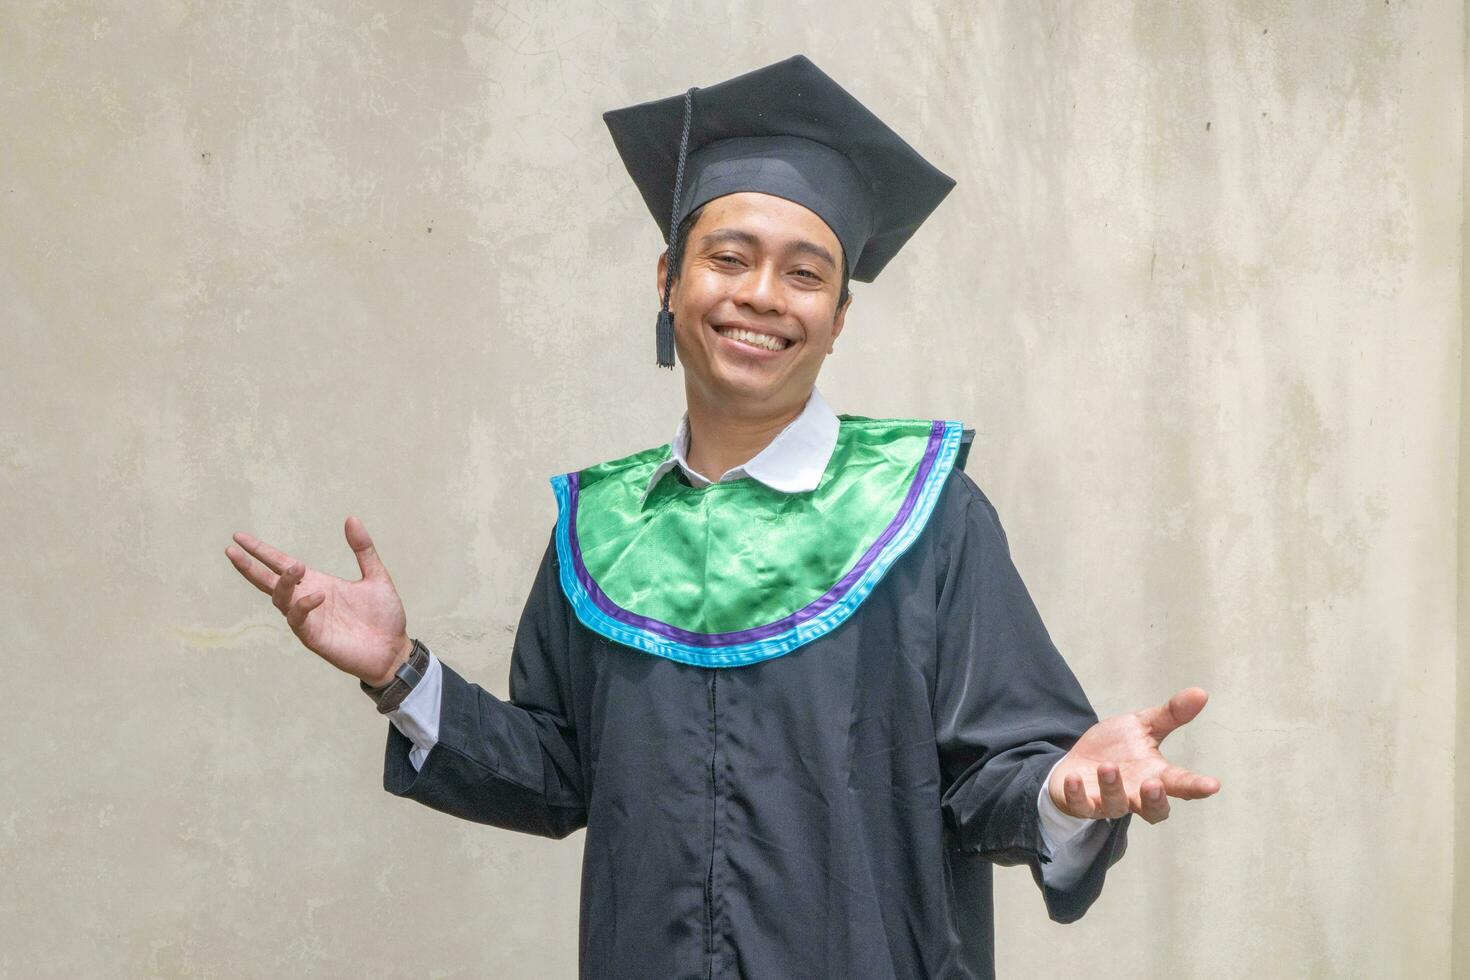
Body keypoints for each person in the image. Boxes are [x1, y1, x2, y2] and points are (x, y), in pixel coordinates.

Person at [224, 55, 1219, 980]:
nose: (762, 295)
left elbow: (997, 779)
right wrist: (401, 672)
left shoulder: (923, 515)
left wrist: (1064, 788)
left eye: (805, 271)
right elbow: (561, 771)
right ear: (668, 280)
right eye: (729, 256)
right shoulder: (601, 528)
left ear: (837, 316)